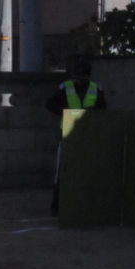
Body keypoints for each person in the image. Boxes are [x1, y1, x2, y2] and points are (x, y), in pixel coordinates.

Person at [45, 57, 107, 216]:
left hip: (88, 133)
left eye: (81, 77)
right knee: (62, 170)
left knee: (88, 170)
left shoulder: (95, 88)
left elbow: (103, 109)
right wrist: (66, 112)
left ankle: (86, 205)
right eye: (76, 77)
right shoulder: (65, 87)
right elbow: (50, 104)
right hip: (68, 132)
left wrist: (92, 113)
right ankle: (57, 206)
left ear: (87, 76)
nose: (78, 80)